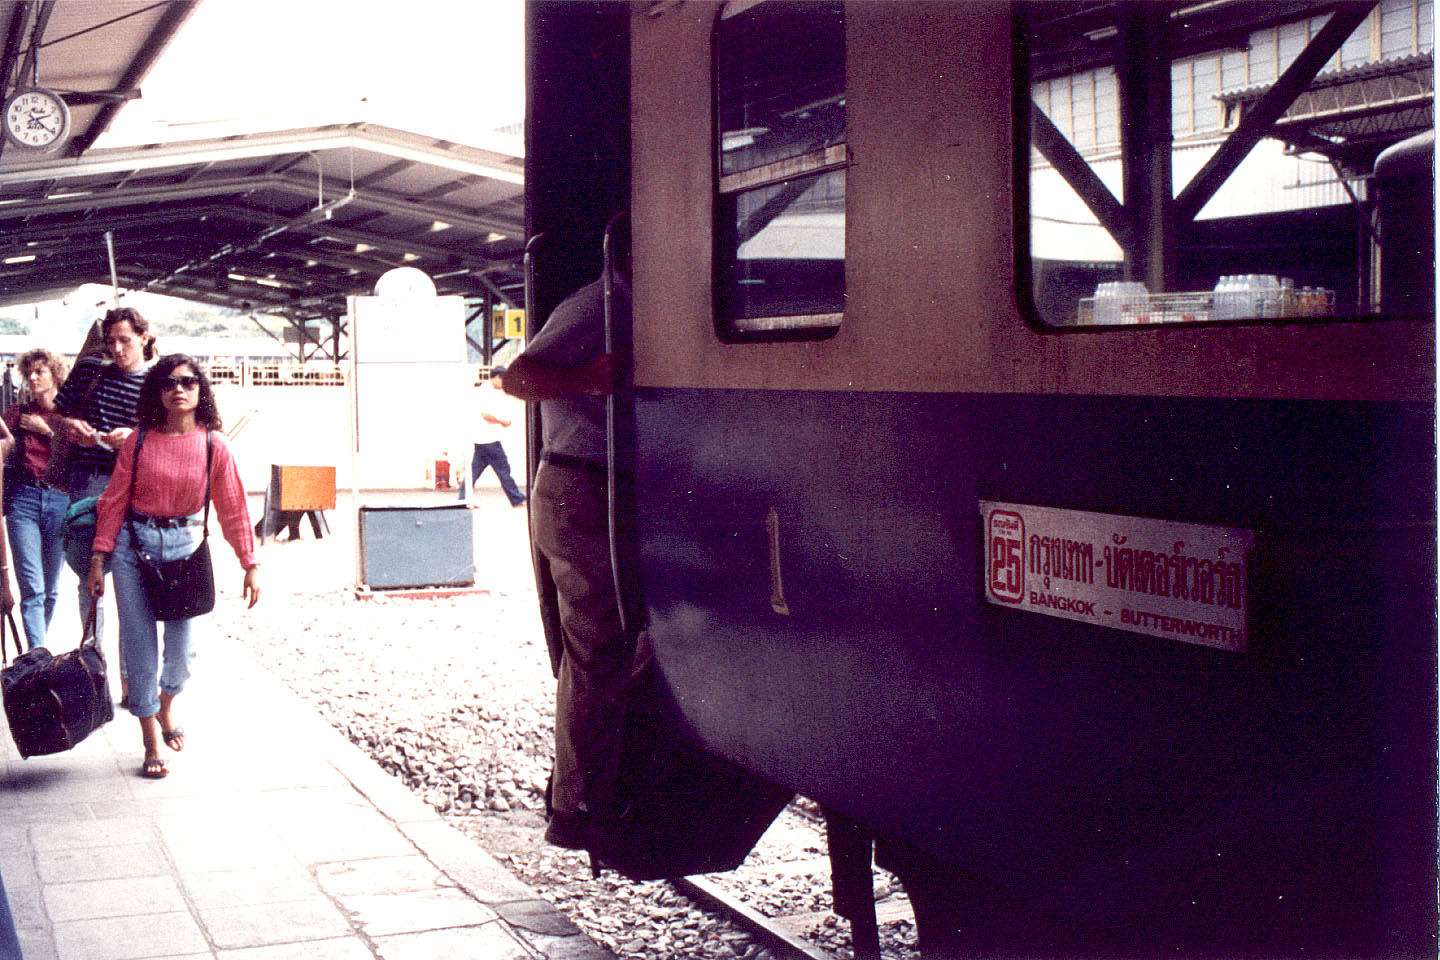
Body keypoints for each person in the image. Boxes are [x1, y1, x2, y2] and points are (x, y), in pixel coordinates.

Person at [502, 269, 630, 850]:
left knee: (603, 646)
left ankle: (589, 789)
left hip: (598, 486)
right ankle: (578, 802)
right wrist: (585, 379)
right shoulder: (599, 298)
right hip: (580, 484)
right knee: (595, 649)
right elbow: (518, 376)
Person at [85, 355, 261, 780]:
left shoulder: (213, 445)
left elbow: (233, 507)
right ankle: (149, 737)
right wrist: (98, 558)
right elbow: (113, 501)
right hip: (134, 550)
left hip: (186, 549)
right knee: (139, 646)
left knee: (182, 654)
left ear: (200, 390)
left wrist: (250, 562)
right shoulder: (139, 441)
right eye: (168, 383)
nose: (178, 389)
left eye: (187, 382)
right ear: (157, 393)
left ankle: (166, 704)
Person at [51, 307, 155, 671]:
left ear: (144, 337)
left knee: (132, 579)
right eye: (110, 342)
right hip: (88, 479)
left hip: (137, 485)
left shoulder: (159, 381)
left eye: (125, 340)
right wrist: (69, 427)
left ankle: (131, 674)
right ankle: (95, 665)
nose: (117, 349)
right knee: (88, 573)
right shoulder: (89, 370)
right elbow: (57, 415)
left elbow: (172, 434)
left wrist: (135, 437)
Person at [0, 349, 71, 648]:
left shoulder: (68, 415)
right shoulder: (18, 414)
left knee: (51, 588)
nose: (33, 377)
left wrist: (48, 432)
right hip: (24, 500)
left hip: (59, 500)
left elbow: (81, 451)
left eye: (40, 372)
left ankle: (37, 653)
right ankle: (37, 655)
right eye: (29, 372)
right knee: (32, 586)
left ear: (54, 375)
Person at [459, 365, 526, 508]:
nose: (503, 385)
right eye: (503, 381)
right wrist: (502, 421)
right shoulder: (487, 392)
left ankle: (463, 499)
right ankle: (517, 499)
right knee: (503, 469)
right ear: (496, 378)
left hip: (481, 439)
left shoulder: (483, 391)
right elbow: (486, 414)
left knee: (474, 471)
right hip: (489, 440)